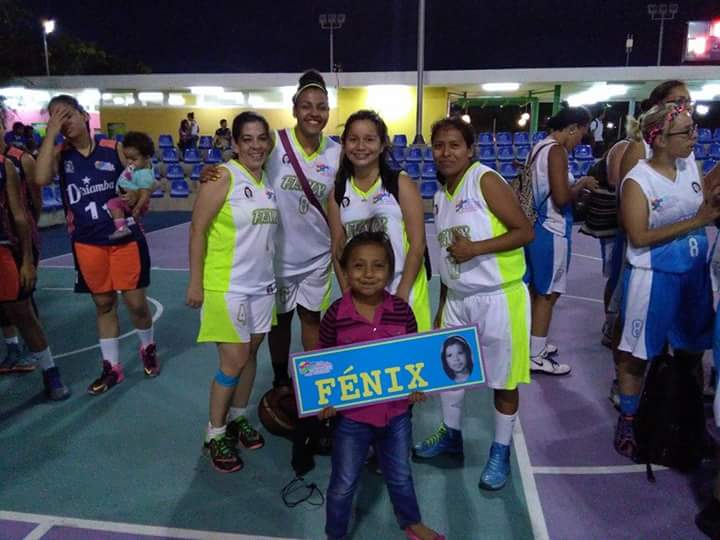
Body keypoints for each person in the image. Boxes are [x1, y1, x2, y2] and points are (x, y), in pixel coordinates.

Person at [413, 116, 534, 491]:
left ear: (470, 149)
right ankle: (451, 436)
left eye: (454, 145)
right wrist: (441, 305)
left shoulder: (484, 180)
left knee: (504, 380)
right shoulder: (440, 194)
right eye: (439, 145)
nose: (446, 152)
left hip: (498, 297)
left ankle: (500, 451)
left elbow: (524, 230)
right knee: (450, 373)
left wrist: (476, 249)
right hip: (458, 299)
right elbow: (451, 259)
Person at [318, 231, 444, 540]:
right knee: (344, 482)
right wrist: (325, 398)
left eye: (378, 266)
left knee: (400, 475)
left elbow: (413, 359)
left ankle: (411, 523)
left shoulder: (402, 311)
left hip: (396, 414)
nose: (368, 274)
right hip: (352, 417)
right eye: (359, 266)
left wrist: (417, 387)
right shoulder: (336, 314)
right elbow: (323, 362)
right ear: (345, 270)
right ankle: (335, 533)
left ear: (389, 271)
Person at [35, 94, 160, 394]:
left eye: (66, 115)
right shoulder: (60, 155)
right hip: (87, 242)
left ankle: (148, 347)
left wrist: (139, 197)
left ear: (84, 116)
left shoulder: (113, 149)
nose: (62, 123)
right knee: (104, 305)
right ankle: (112, 367)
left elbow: (146, 175)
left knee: (136, 304)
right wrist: (51, 133)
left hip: (125, 238)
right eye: (54, 117)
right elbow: (39, 179)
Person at [613, 101, 718, 458]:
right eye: (686, 132)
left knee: (692, 350)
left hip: (693, 274)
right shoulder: (638, 180)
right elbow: (638, 236)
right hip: (654, 277)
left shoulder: (690, 166)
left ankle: (689, 420)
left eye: (694, 129)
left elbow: (703, 207)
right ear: (658, 139)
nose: (694, 138)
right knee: (637, 353)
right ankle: (628, 418)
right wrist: (698, 220)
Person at [186, 112, 277, 473]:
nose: (255, 145)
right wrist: (195, 281)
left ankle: (238, 418)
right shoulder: (222, 177)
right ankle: (215, 432)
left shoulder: (266, 179)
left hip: (261, 285)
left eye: (261, 138)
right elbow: (197, 230)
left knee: (252, 353)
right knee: (233, 361)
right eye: (248, 139)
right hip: (228, 285)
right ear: (236, 144)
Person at [607, 80, 695, 409]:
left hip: (683, 264)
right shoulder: (640, 154)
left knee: (683, 338)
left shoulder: (688, 158)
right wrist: (693, 222)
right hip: (647, 259)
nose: (682, 107)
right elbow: (631, 210)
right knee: (629, 321)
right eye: (675, 102)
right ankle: (625, 390)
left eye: (686, 101)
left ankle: (671, 397)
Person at [265, 69, 342, 390]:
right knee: (280, 321)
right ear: (295, 108)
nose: (314, 113)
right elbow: (240, 165)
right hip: (278, 257)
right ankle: (280, 378)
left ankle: (314, 382)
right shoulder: (274, 143)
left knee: (312, 318)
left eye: (321, 106)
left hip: (316, 257)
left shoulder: (336, 153)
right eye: (307, 105)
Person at [327, 109, 430, 331]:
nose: (361, 146)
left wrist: (401, 295)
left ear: (382, 144)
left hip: (404, 287)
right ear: (344, 144)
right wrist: (347, 294)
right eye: (353, 139)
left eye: (369, 139)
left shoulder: (400, 183)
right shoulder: (337, 193)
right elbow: (337, 248)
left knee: (410, 361)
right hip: (363, 293)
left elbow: (418, 244)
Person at [524, 107, 598, 375]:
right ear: (572, 128)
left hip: (537, 228)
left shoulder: (538, 148)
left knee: (537, 290)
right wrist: (582, 184)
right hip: (551, 228)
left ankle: (533, 343)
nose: (581, 140)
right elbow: (561, 198)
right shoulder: (556, 151)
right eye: (582, 133)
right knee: (548, 293)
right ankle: (534, 354)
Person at [0, 151, 70, 399]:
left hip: (4, 250)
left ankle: (51, 373)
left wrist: (27, 260)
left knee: (23, 313)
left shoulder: (5, 165)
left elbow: (20, 216)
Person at [0, 113, 42, 372]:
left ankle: (36, 350)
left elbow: (36, 202)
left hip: (21, 237)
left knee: (23, 297)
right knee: (4, 301)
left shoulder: (21, 159)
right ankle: (13, 347)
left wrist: (28, 231)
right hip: (3, 241)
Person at [106, 131, 154, 240]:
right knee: (132, 219)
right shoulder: (136, 167)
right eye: (127, 158)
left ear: (146, 158)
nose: (129, 162)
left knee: (113, 204)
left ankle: (122, 228)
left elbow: (145, 193)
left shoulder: (144, 173)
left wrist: (138, 207)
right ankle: (137, 228)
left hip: (134, 201)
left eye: (133, 159)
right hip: (128, 198)